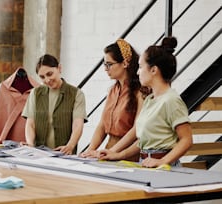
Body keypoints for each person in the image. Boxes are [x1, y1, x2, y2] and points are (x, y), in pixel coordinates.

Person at [99, 37, 193, 167]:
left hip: (164, 168)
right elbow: (144, 141)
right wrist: (118, 155)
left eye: (140, 67)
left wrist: (162, 161)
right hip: (145, 163)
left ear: (153, 70)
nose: (137, 72)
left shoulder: (171, 100)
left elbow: (187, 140)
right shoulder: (149, 99)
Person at [80, 39, 148, 161]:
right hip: (109, 150)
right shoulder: (113, 90)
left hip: (128, 155)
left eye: (109, 64)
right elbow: (102, 125)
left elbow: (137, 129)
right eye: (104, 64)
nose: (106, 69)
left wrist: (112, 152)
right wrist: (90, 150)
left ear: (125, 63)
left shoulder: (140, 92)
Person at [22, 54, 88, 155]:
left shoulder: (76, 94)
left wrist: (70, 146)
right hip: (38, 154)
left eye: (50, 74)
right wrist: (30, 144)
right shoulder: (35, 93)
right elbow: (30, 124)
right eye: (42, 77)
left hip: (64, 154)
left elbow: (78, 124)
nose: (47, 80)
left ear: (59, 68)